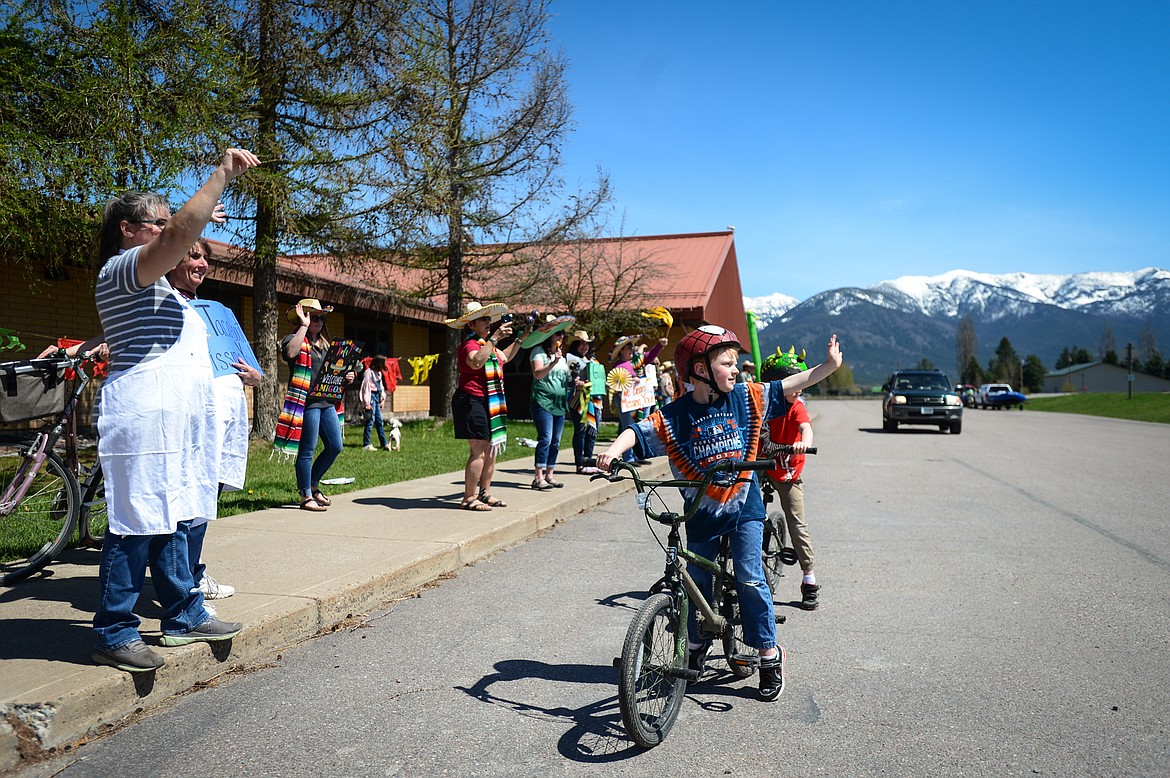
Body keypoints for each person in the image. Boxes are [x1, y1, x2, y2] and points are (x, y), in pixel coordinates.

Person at [597, 326, 842, 701]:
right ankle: (694, 645)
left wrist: (828, 365)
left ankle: (768, 653)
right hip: (701, 512)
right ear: (699, 369)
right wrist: (613, 451)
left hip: (744, 507)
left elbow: (791, 384)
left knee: (748, 578)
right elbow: (639, 431)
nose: (736, 370)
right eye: (727, 363)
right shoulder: (676, 414)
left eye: (736, 362)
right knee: (694, 583)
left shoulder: (747, 397)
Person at [91, 147, 259, 673]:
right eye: (157, 224)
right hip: (143, 420)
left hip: (179, 422)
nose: (169, 234)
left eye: (167, 224)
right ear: (128, 229)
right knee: (136, 520)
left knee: (176, 515)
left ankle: (183, 613)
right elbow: (180, 236)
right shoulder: (124, 270)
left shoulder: (165, 289)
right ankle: (114, 628)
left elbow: (179, 236)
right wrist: (220, 178)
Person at [166, 236, 261, 602]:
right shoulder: (163, 301)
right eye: (192, 256)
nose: (201, 263)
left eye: (205, 258)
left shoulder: (215, 310)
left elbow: (248, 366)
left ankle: (193, 571)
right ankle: (183, 586)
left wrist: (254, 377)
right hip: (191, 418)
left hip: (226, 417)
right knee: (187, 503)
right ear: (172, 260)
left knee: (206, 500)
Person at [276, 298, 356, 511]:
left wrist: (346, 376)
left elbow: (333, 373)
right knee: (307, 450)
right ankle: (305, 495)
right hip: (308, 403)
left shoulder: (327, 345)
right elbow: (290, 354)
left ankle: (313, 484)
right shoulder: (293, 338)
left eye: (321, 317)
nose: (319, 320)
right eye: (314, 317)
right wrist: (303, 326)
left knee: (335, 446)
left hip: (327, 402)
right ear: (304, 317)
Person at [760, 348, 820, 611]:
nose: (798, 390)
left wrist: (804, 445)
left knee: (797, 522)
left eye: (801, 385)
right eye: (793, 384)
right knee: (742, 509)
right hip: (760, 464)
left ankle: (809, 578)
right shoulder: (761, 405)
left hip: (787, 469)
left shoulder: (796, 407)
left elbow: (806, 428)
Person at [448, 301, 521, 511]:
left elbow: (504, 357)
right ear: (471, 325)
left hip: (490, 401)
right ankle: (468, 498)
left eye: (489, 318)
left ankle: (484, 493)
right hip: (471, 400)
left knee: (491, 450)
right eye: (483, 319)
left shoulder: (489, 345)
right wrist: (495, 338)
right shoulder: (470, 345)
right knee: (478, 449)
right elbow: (476, 362)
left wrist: (521, 338)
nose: (488, 322)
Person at [528, 327, 578, 490]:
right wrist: (553, 362)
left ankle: (550, 474)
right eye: (558, 333)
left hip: (559, 403)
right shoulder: (538, 352)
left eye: (562, 334)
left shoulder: (562, 357)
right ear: (549, 336)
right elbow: (538, 374)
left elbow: (564, 380)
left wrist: (575, 383)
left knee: (556, 441)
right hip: (542, 401)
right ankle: (538, 477)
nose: (561, 336)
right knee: (546, 438)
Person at [608, 334, 668, 463]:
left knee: (640, 427)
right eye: (628, 347)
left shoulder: (636, 362)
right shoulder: (619, 366)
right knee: (629, 427)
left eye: (632, 347)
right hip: (628, 402)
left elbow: (650, 356)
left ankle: (638, 455)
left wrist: (660, 346)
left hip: (641, 400)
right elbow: (615, 385)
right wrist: (629, 381)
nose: (631, 349)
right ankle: (629, 457)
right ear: (621, 351)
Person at [564, 330, 603, 475]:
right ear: (575, 345)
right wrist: (577, 382)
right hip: (579, 399)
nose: (584, 347)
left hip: (593, 399)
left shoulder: (592, 360)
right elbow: (569, 378)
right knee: (581, 430)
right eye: (581, 344)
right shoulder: (570, 358)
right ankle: (580, 463)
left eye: (586, 344)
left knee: (592, 431)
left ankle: (589, 460)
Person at [361, 355, 390, 451]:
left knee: (379, 421)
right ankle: (366, 444)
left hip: (377, 397)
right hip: (371, 398)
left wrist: (382, 399)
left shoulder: (379, 374)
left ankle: (384, 443)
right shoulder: (368, 373)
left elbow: (381, 387)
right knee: (370, 421)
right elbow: (366, 388)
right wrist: (367, 403)